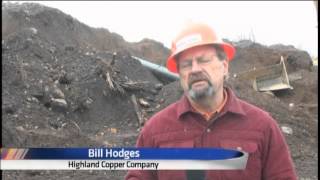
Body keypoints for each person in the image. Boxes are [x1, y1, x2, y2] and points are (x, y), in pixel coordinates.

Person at [126, 22, 297, 180]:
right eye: (186, 64)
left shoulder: (262, 126)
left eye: (203, 60)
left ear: (224, 67)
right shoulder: (156, 130)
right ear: (180, 74)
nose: (195, 69)